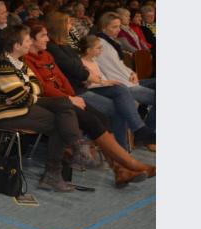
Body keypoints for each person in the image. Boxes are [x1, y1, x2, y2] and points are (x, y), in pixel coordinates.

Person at [23, 24, 154, 187]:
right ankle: (130, 164)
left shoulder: (47, 55)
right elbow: (43, 87)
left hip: (67, 98)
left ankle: (120, 170)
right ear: (32, 40)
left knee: (101, 118)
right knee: (92, 120)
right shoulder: (26, 60)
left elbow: (61, 78)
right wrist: (69, 98)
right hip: (50, 102)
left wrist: (71, 95)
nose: (48, 39)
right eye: (43, 36)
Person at [0, 25, 82, 192]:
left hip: (19, 105)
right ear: (16, 46)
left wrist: (25, 91)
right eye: (27, 40)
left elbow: (38, 86)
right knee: (60, 123)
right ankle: (55, 171)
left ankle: (75, 146)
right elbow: (22, 98)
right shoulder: (2, 66)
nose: (30, 43)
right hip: (3, 114)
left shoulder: (19, 62)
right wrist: (25, 91)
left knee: (64, 103)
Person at [95, 12, 156, 150]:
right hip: (123, 85)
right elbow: (101, 68)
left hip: (129, 80)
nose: (118, 30)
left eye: (119, 26)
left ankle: (149, 133)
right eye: (114, 27)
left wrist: (132, 72)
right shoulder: (100, 43)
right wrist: (110, 81)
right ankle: (149, 137)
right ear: (104, 27)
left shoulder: (112, 42)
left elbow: (120, 66)